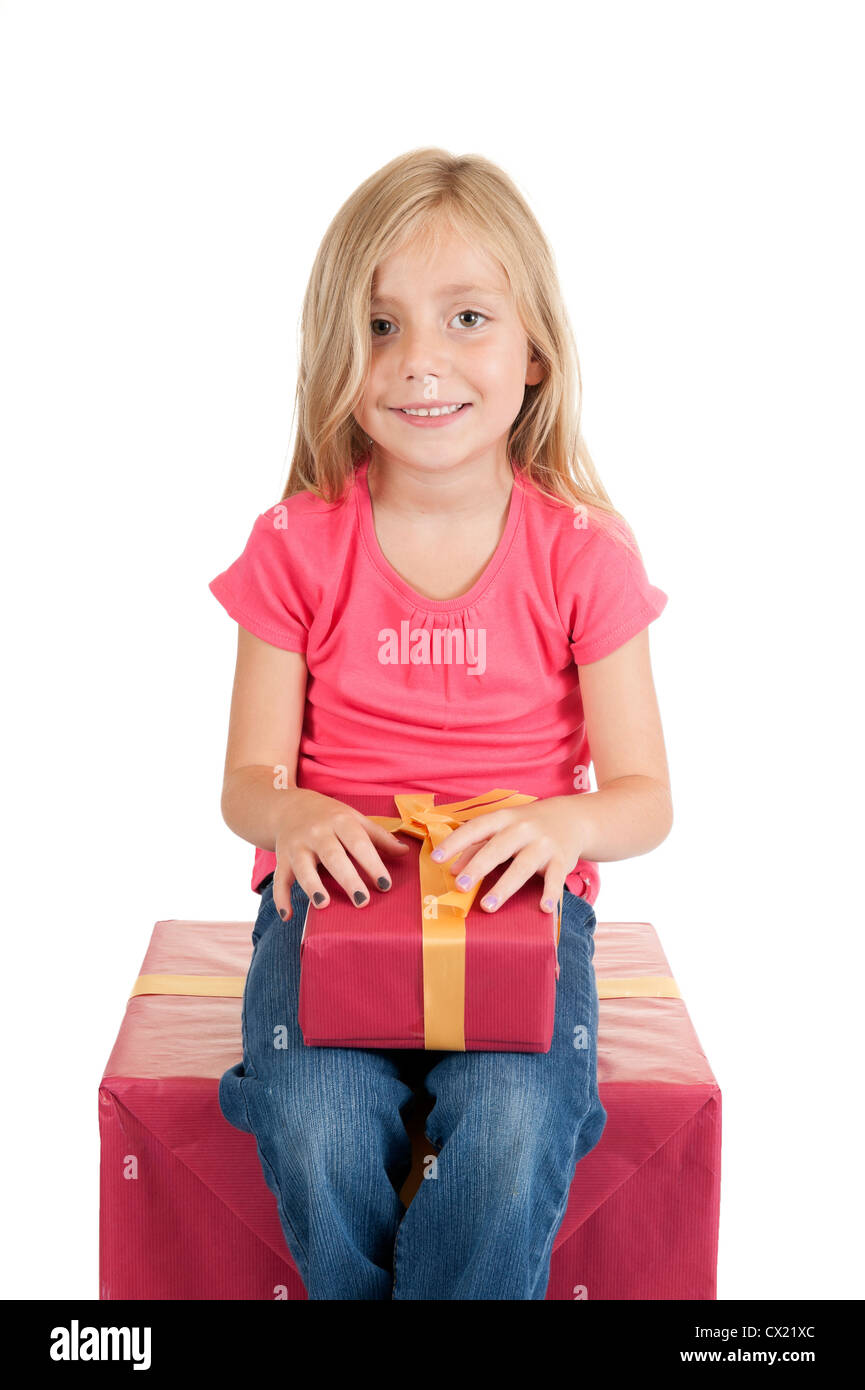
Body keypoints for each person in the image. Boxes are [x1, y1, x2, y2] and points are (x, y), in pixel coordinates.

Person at [209, 147, 672, 1300]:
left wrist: (562, 827)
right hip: (331, 909)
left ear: (532, 353)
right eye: (377, 327)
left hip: (514, 913)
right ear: (337, 352)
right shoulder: (297, 542)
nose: (419, 362)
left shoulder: (582, 553)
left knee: (515, 1123)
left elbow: (644, 796)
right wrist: (297, 810)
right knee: (317, 1119)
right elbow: (246, 785)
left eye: (465, 317)